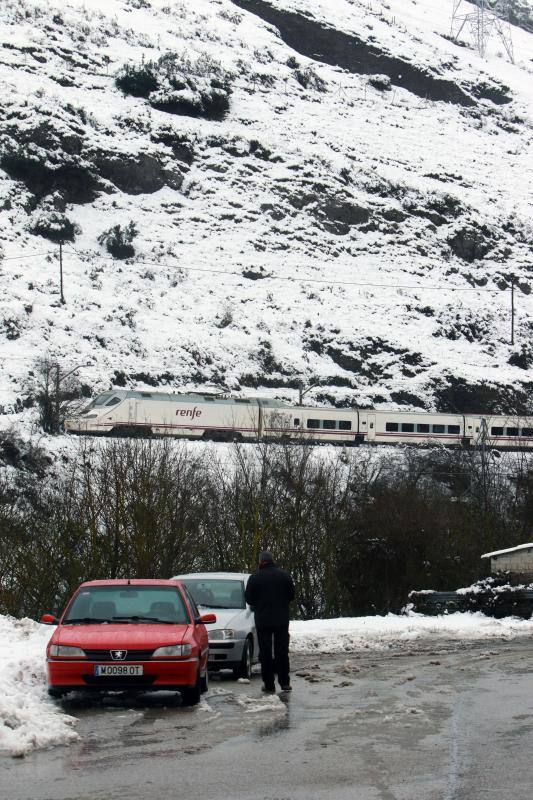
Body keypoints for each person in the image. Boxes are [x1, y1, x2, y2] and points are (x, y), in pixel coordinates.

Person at [245, 551, 295, 693]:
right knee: (282, 651)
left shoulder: (255, 578)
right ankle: (285, 682)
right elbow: (292, 595)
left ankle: (269, 684)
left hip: (263, 620)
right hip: (281, 619)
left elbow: (248, 598)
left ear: (261, 562)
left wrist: (259, 604)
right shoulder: (284, 576)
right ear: (272, 560)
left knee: (265, 653)